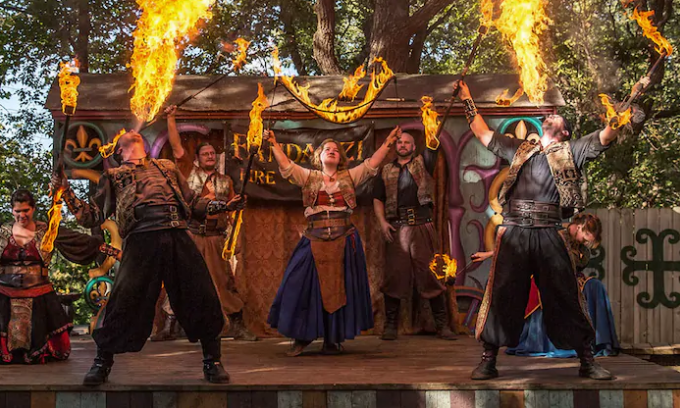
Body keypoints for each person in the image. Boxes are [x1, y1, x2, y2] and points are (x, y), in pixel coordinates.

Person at [456, 77, 647, 381]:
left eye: (558, 117)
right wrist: (467, 98)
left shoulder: (574, 151)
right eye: (550, 115)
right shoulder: (519, 150)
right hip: (515, 230)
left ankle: (587, 360)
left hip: (549, 232)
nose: (551, 115)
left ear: (565, 131)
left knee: (566, 295)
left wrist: (621, 114)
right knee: (503, 294)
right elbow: (481, 132)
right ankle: (488, 360)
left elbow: (607, 136)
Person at [54, 130, 246, 385]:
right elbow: (92, 216)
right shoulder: (113, 176)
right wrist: (66, 192)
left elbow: (192, 203)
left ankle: (213, 361)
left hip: (176, 234)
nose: (128, 133)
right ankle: (102, 363)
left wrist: (225, 205)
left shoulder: (166, 167)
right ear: (119, 151)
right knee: (123, 301)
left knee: (202, 294)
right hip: (141, 240)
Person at [266, 128, 397, 356]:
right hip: (314, 237)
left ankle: (332, 339)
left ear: (341, 157)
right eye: (327, 149)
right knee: (301, 285)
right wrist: (273, 143)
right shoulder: (308, 176)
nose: (332, 151)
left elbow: (370, 165)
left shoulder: (349, 176)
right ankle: (302, 337)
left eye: (336, 150)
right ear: (319, 156)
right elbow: (287, 166)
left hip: (343, 238)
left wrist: (388, 143)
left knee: (341, 288)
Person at [163, 105, 257, 341]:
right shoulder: (186, 171)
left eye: (213, 154)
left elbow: (233, 213)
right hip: (192, 236)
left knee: (223, 282)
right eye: (205, 154)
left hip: (216, 238)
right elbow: (176, 147)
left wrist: (235, 226)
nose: (210, 156)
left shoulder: (225, 181)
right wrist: (171, 118)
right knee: (182, 278)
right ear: (196, 159)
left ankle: (237, 325)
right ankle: (170, 326)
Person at [473, 214, 620, 358]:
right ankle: (549, 341)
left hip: (571, 280)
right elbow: (520, 245)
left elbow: (576, 266)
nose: (585, 242)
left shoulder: (581, 247)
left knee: (596, 286)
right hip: (546, 278)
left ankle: (596, 342)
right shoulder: (553, 232)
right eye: (585, 237)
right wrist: (489, 254)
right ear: (579, 228)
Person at [0, 189, 109, 364]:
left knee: (55, 348)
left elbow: (79, 241)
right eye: (17, 211)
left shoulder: (46, 230)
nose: (22, 215)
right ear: (12, 210)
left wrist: (113, 251)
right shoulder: (3, 232)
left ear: (33, 209)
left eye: (25, 210)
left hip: (39, 294)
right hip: (5, 295)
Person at [373, 128, 456, 341]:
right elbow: (378, 199)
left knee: (430, 274)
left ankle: (442, 325)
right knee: (395, 276)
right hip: (397, 227)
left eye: (407, 142)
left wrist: (432, 125)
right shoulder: (385, 170)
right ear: (395, 146)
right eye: (399, 142)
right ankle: (390, 326)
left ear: (413, 146)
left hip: (422, 225)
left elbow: (432, 144)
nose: (402, 145)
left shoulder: (424, 162)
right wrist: (382, 223)